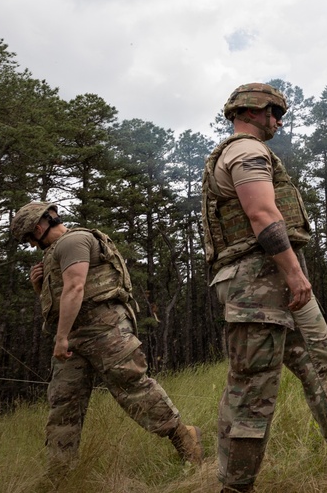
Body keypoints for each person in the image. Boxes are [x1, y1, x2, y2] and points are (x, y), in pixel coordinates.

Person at [202, 82, 327, 492]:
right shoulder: (246, 151)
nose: (278, 121)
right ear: (253, 111)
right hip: (258, 285)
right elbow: (261, 214)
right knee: (253, 392)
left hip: (273, 280)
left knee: (321, 362)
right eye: (274, 113)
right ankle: (235, 487)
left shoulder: (250, 152)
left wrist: (290, 276)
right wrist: (295, 274)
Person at [11, 202, 204, 480]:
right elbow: (59, 298)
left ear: (39, 228)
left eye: (29, 239)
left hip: (105, 330)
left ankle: (185, 439)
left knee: (134, 389)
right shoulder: (56, 253)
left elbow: (77, 288)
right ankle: (60, 475)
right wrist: (39, 287)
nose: (31, 246)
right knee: (63, 404)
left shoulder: (75, 241)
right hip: (75, 337)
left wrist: (61, 337)